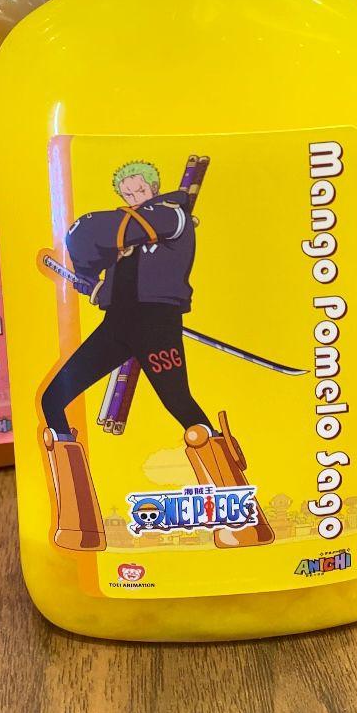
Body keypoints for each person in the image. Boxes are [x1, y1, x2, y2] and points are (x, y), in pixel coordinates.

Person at [40, 159, 274, 552]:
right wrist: (97, 286)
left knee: (182, 407)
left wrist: (99, 245)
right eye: (127, 193)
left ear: (154, 186)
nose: (134, 197)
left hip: (155, 326)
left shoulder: (173, 217)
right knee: (53, 400)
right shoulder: (126, 231)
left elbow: (91, 232)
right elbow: (86, 247)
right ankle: (80, 527)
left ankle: (243, 524)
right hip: (118, 327)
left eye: (140, 190)